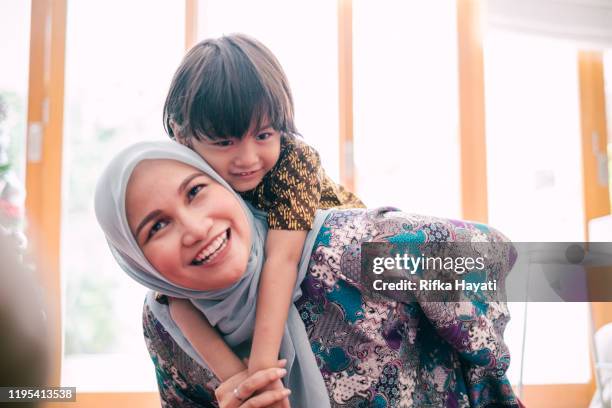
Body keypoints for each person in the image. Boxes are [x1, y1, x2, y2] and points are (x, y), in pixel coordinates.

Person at [95, 141, 523, 407]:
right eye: (158, 227)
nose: (195, 228)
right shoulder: (166, 324)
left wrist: (472, 361)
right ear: (137, 259)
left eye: (196, 191)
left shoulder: (346, 250)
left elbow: (486, 256)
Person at [162, 33, 365, 402]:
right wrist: (242, 385)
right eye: (225, 142)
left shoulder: (294, 159)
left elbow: (282, 259)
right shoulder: (181, 181)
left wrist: (262, 373)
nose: (248, 158)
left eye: (264, 134)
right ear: (183, 136)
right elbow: (172, 296)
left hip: (336, 236)